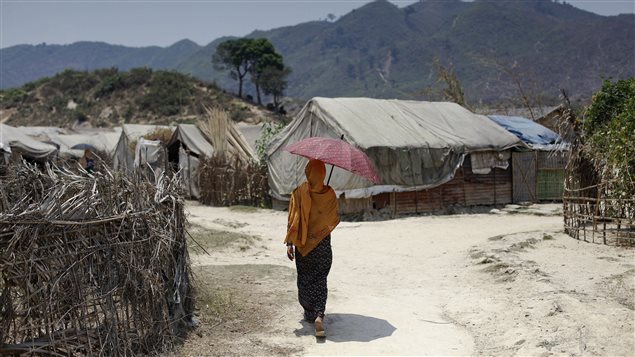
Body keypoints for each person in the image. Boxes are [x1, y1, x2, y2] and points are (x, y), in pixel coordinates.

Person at [284, 159, 340, 337]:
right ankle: (319, 315)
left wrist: (290, 244)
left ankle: (310, 312)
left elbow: (293, 218)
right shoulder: (329, 194)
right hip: (322, 246)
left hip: (303, 247)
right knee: (320, 280)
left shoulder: (299, 192)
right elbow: (332, 218)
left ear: (308, 173)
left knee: (305, 280)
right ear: (323, 174)